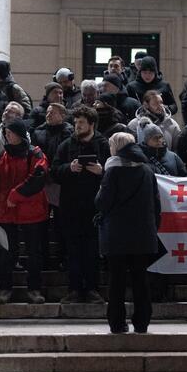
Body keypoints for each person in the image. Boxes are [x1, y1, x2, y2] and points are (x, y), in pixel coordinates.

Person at [96, 132, 161, 334]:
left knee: (117, 280)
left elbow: (102, 202)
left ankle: (117, 323)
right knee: (140, 279)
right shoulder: (147, 170)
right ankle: (142, 322)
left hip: (117, 235)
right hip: (143, 233)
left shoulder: (113, 170)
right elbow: (156, 204)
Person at [52, 106, 111, 304]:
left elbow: (113, 171)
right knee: (73, 250)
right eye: (76, 123)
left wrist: (101, 171)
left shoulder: (103, 144)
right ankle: (74, 289)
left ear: (91, 124)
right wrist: (69, 168)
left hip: (95, 206)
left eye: (81, 123)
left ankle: (93, 289)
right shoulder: (66, 144)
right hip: (71, 206)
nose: (77, 127)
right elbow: (54, 171)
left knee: (92, 250)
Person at [0, 120, 48, 305]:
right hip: (5, 213)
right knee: (5, 253)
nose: (7, 135)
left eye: (10, 132)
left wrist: (16, 194)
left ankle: (34, 289)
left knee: (33, 253)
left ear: (20, 134)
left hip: (31, 212)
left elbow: (38, 177)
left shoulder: (35, 153)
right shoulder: (1, 157)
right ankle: (4, 289)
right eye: (6, 133)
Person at [30, 102, 73, 270]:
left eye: (53, 113)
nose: (48, 115)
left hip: (61, 183)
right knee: (41, 223)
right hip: (42, 182)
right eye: (47, 112)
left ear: (62, 115)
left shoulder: (69, 133)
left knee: (62, 223)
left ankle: (62, 256)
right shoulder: (38, 132)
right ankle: (44, 257)